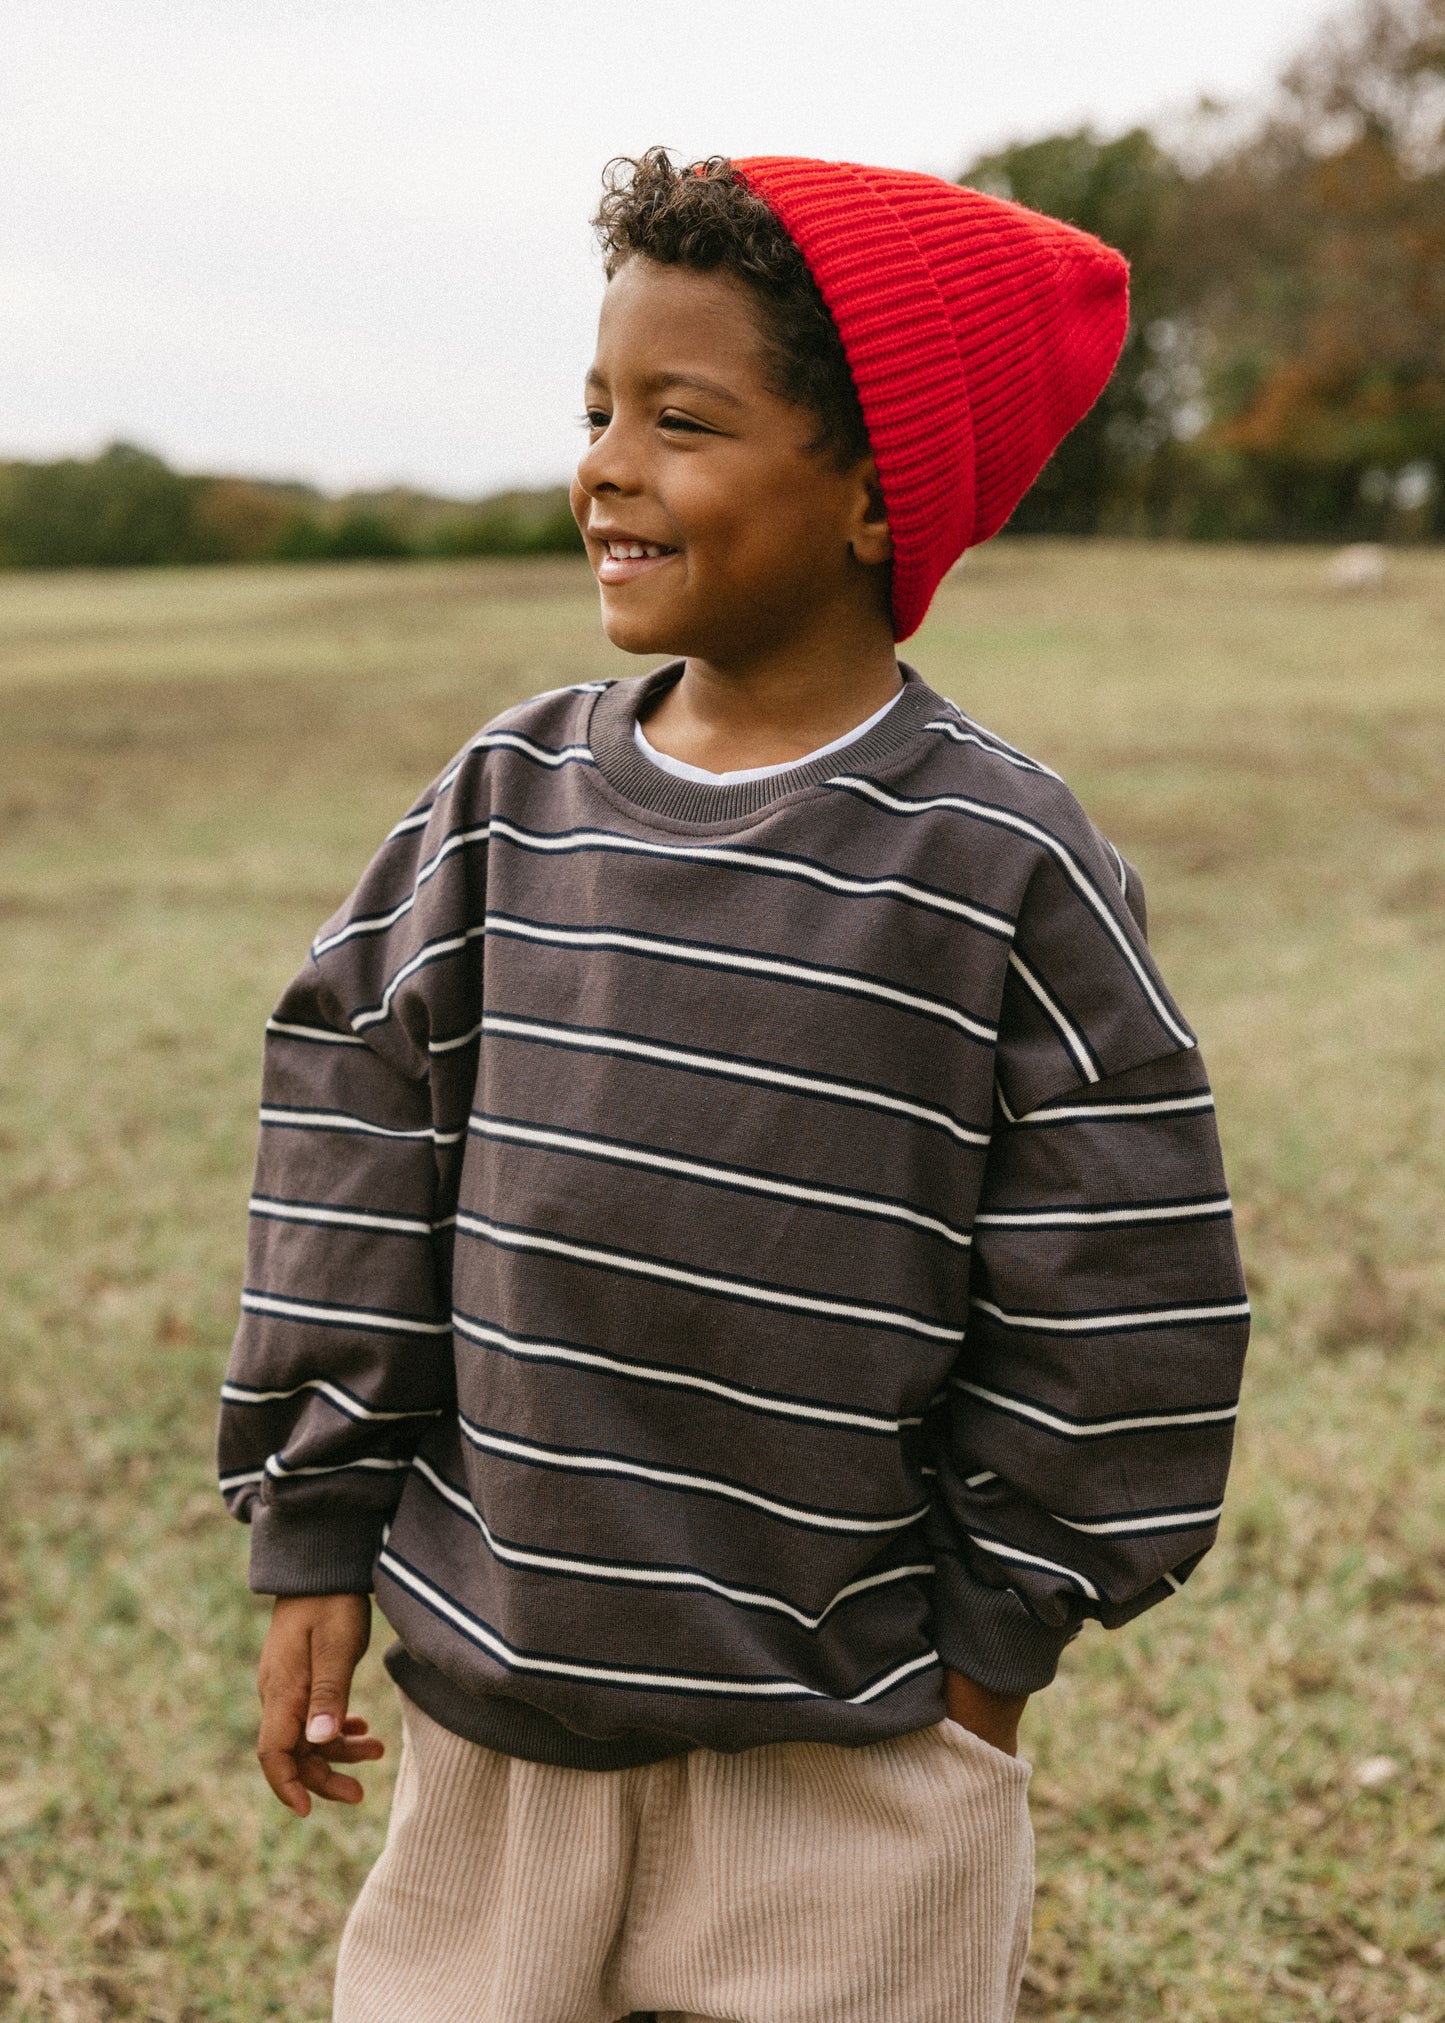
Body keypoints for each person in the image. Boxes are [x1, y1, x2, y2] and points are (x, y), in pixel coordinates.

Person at [218, 150, 1249, 2023]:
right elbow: (349, 1144)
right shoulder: (496, 810)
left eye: (683, 420)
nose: (609, 462)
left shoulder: (997, 863)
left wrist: (988, 1654)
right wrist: (315, 1531)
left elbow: (1131, 1284)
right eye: (598, 409)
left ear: (871, 491)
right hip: (497, 1721)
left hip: (848, 1759)